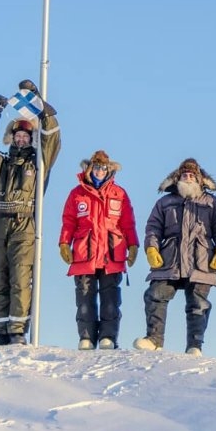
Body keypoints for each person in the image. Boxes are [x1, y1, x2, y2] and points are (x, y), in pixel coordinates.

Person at [0, 82, 61, 346]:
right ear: (11, 137)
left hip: (25, 222)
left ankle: (17, 330)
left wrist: (44, 112)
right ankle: (1, 330)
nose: (21, 138)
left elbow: (52, 140)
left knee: (21, 277)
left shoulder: (39, 163)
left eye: (26, 135)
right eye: (17, 135)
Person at [134, 158, 216, 355]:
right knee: (155, 295)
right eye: (184, 175)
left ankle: (195, 345)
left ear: (199, 179)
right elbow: (153, 228)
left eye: (191, 175)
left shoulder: (212, 202)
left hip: (201, 260)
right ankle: (154, 339)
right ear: (177, 178)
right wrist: (151, 249)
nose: (187, 178)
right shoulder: (165, 202)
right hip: (170, 259)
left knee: (198, 303)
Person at [59, 150, 139, 350]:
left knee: (110, 297)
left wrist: (132, 245)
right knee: (85, 296)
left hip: (111, 253)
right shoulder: (77, 194)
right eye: (96, 167)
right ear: (89, 168)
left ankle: (108, 336)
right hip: (85, 253)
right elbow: (68, 222)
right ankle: (86, 336)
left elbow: (128, 223)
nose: (100, 171)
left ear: (109, 169)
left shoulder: (118, 194)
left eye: (104, 168)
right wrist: (64, 243)